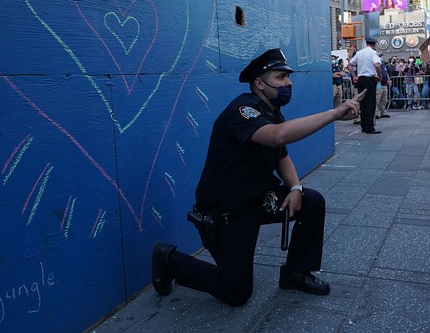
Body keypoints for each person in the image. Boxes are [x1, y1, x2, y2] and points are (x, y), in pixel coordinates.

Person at [151, 48, 365, 307]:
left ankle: (296, 273)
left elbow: (280, 155)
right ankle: (169, 259)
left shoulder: (271, 112)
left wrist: (296, 188)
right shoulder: (243, 111)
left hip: (257, 200)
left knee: (311, 201)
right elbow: (277, 136)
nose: (288, 83)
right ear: (259, 84)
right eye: (280, 77)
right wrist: (334, 113)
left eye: (288, 77)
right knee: (237, 292)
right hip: (227, 213)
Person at [348, 38, 382, 134]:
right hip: (370, 80)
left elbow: (350, 65)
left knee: (363, 103)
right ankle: (370, 127)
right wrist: (379, 75)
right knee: (370, 104)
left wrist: (354, 76)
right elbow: (377, 65)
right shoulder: (373, 53)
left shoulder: (359, 53)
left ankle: (364, 126)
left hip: (361, 80)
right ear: (374, 45)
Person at [375, 53, 391, 118]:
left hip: (384, 84)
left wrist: (389, 79)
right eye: (380, 56)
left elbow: (386, 73)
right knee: (377, 99)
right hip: (379, 84)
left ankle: (383, 112)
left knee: (384, 99)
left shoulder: (383, 64)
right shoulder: (376, 64)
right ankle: (376, 113)